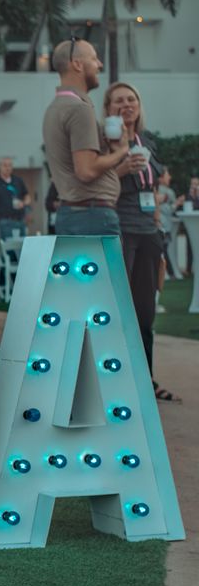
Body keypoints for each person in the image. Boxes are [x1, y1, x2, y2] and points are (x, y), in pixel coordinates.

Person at [104, 80, 177, 402]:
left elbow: (152, 191)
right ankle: (114, 382)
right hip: (121, 229)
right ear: (108, 109)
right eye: (119, 100)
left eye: (131, 99)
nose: (126, 104)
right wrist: (121, 168)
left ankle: (145, 379)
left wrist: (158, 221)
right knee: (118, 308)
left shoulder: (146, 141)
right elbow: (96, 181)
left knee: (145, 312)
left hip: (148, 232)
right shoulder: (105, 144)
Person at [42, 38, 132, 236]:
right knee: (109, 269)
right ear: (77, 64)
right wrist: (122, 152)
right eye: (94, 59)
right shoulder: (79, 109)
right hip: (93, 216)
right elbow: (86, 170)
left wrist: (110, 150)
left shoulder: (54, 108)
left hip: (75, 213)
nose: (99, 64)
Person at [0, 157, 30, 239]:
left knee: (22, 247)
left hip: (20, 220)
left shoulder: (18, 181)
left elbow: (27, 197)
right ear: (0, 167)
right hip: (4, 221)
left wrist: (23, 203)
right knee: (8, 249)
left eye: (10, 165)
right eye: (5, 165)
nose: (7, 168)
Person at [156, 168, 181, 280]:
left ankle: (168, 273)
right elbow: (167, 210)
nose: (170, 177)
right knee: (163, 250)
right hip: (163, 226)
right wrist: (177, 203)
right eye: (167, 174)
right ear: (161, 178)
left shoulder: (159, 190)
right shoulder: (166, 192)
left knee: (163, 250)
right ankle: (168, 274)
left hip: (162, 225)